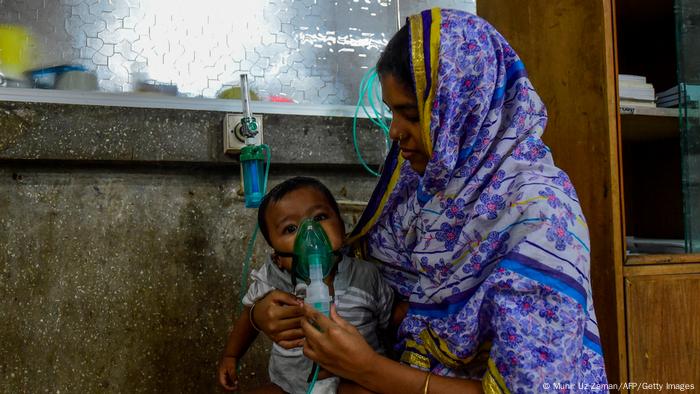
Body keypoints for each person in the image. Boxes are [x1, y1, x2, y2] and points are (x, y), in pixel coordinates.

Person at [252, 8, 609, 394]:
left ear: (461, 107)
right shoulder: (423, 185)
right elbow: (358, 281)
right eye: (392, 112)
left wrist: (369, 369)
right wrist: (264, 314)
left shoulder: (540, 213)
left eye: (410, 114)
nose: (394, 132)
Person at [218, 176, 394, 393]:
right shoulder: (272, 279)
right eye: (290, 229)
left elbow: (390, 324)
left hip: (352, 382)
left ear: (341, 224)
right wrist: (231, 355)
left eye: (320, 217)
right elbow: (249, 318)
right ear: (277, 256)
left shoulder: (366, 276)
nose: (310, 234)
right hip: (291, 387)